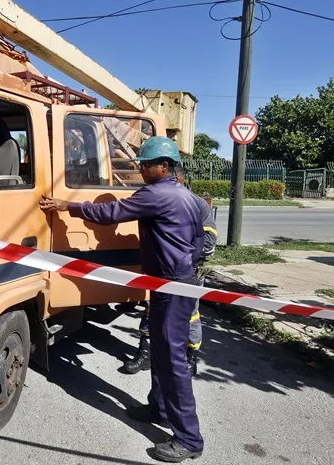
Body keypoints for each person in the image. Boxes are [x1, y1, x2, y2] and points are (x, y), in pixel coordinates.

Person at [40, 136, 204, 463]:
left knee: (172, 359)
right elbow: (198, 240)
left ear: (165, 167)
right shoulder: (186, 195)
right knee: (161, 351)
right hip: (176, 282)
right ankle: (159, 408)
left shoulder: (156, 194)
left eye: (146, 165)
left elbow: (109, 213)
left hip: (173, 286)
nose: (141, 169)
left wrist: (67, 206)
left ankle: (189, 439)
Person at [122, 163, 217, 377]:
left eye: (175, 181)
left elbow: (209, 242)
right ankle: (146, 353)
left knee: (190, 314)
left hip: (187, 272)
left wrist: (181, 257)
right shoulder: (160, 198)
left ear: (179, 178)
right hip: (162, 272)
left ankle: (189, 356)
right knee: (152, 310)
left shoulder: (197, 204)